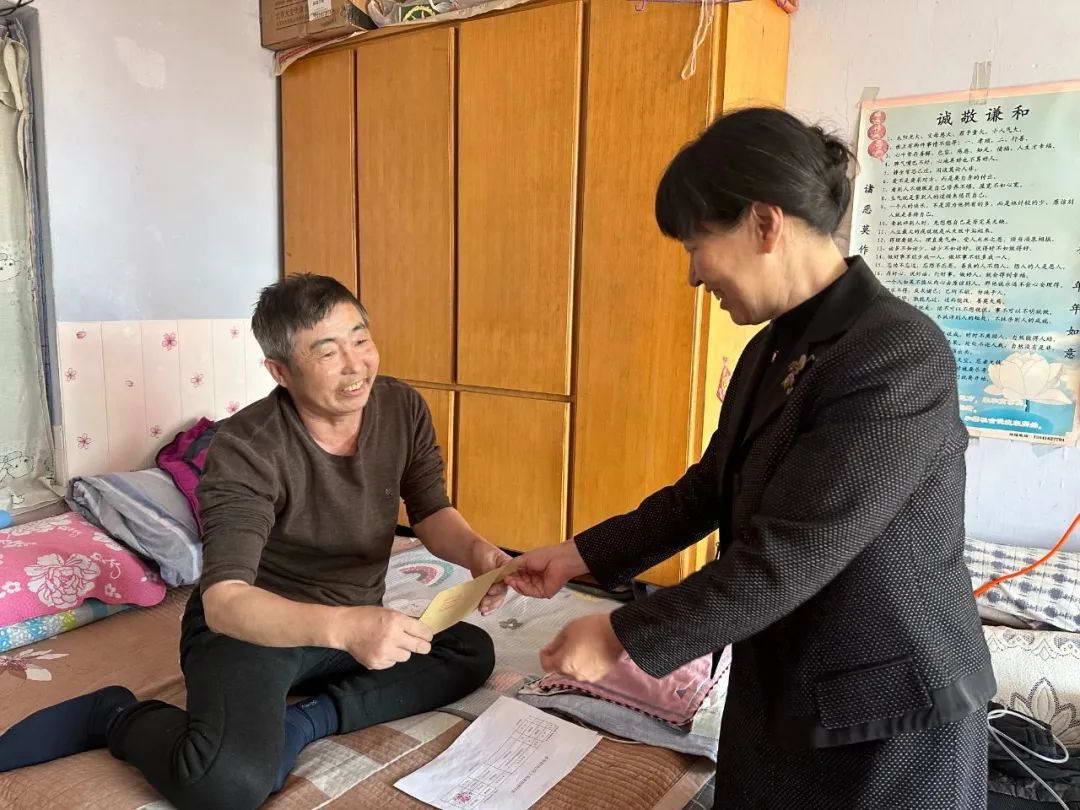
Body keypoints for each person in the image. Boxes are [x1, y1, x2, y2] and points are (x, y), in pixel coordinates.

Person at [506, 107, 996, 809]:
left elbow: (793, 551)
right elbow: (708, 489)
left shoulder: (896, 353)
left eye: (696, 245)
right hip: (781, 677)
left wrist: (622, 635)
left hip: (889, 711)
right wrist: (578, 555)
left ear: (765, 223)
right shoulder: (772, 345)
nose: (693, 275)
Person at [0, 274, 508, 809]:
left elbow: (430, 510)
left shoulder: (401, 407)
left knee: (469, 650)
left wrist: (478, 553)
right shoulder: (247, 448)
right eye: (328, 352)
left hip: (350, 624)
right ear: (280, 371)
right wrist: (346, 627)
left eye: (360, 339)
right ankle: (118, 715)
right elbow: (226, 602)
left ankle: (308, 720)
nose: (356, 365)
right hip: (255, 630)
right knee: (224, 785)